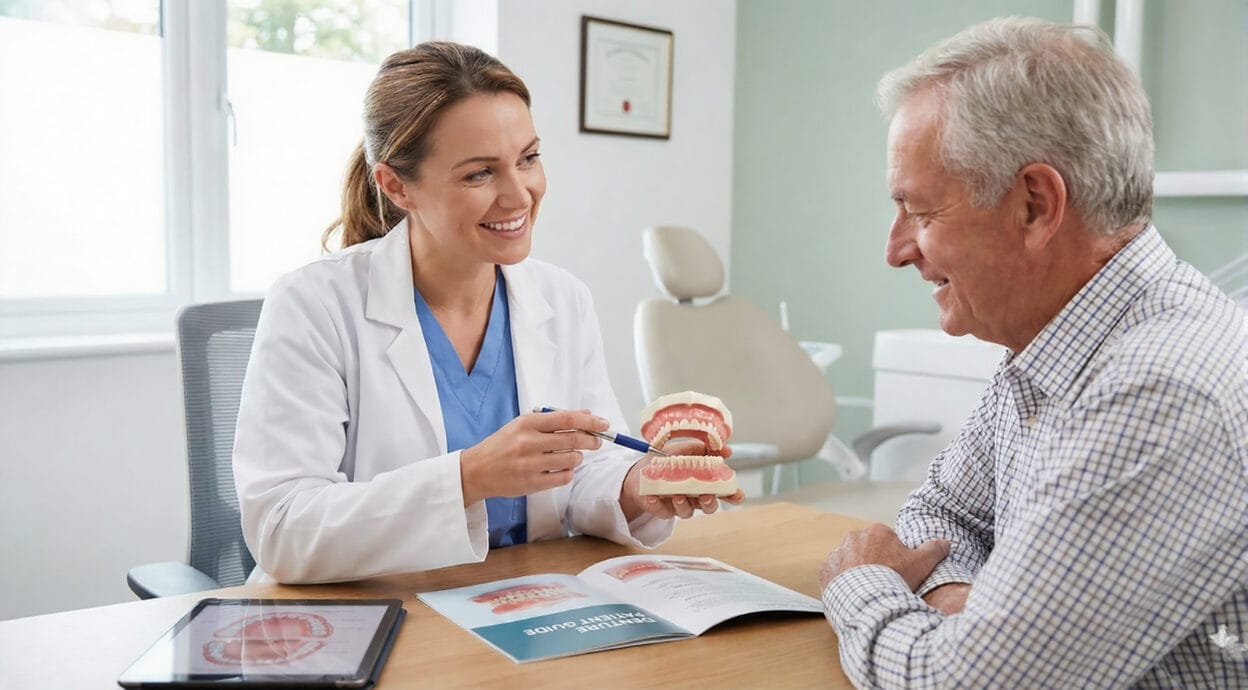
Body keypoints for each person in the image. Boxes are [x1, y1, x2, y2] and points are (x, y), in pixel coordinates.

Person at [818, 17, 1248, 688]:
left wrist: (862, 586)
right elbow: (941, 514)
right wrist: (968, 612)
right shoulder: (1057, 341)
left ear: (1035, 205)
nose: (896, 249)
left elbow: (971, 685)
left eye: (921, 213)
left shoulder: (1158, 393)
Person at [232, 42, 742, 584]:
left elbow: (590, 464)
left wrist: (636, 486)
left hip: (523, 606)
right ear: (396, 185)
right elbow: (282, 529)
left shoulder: (562, 299)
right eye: (480, 174)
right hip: (376, 619)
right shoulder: (314, 305)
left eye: (528, 158)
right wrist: (469, 477)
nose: (519, 194)